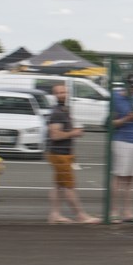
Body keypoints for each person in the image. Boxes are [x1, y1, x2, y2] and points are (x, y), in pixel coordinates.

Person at [46, 83, 98, 224]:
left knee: (58, 185)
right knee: (69, 186)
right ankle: (81, 215)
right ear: (54, 95)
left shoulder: (64, 110)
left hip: (62, 154)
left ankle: (55, 214)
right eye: (59, 93)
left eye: (64, 92)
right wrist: (73, 133)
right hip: (59, 154)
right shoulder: (57, 113)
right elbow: (54, 135)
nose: (62, 95)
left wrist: (74, 133)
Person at [110, 77, 133, 223]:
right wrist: (127, 118)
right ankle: (113, 212)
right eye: (131, 86)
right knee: (119, 177)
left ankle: (128, 212)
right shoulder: (115, 98)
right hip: (121, 140)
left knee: (131, 179)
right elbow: (111, 122)